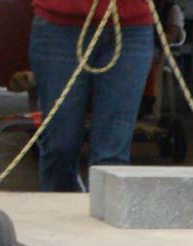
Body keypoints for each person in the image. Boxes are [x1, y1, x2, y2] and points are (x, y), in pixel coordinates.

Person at [29, 0, 155, 191]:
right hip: (60, 23)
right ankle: (60, 215)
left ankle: (104, 215)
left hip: (131, 25)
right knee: (60, 145)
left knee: (112, 155)